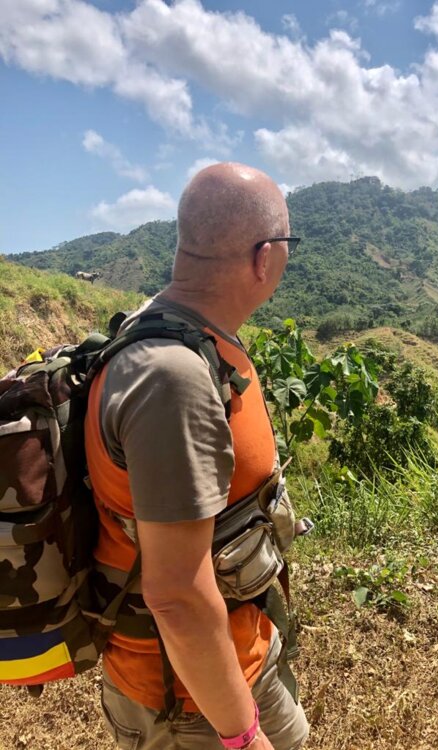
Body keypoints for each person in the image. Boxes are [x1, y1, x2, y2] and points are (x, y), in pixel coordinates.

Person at [84, 163, 309, 750]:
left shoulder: (188, 335)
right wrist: (243, 737)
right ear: (264, 257)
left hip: (232, 670)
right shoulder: (173, 378)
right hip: (191, 707)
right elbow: (177, 595)